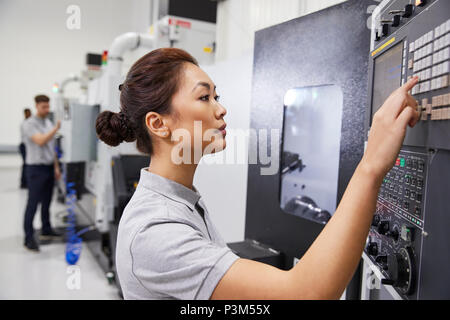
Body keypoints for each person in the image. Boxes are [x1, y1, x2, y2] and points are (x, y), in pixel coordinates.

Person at [96, 48, 420, 299]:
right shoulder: (156, 229)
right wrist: (372, 166)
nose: (221, 109)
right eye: (204, 97)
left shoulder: (181, 201)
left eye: (216, 96)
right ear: (158, 123)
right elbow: (307, 294)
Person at [22, 95, 62, 252]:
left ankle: (46, 229)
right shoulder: (28, 124)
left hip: (48, 168)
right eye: (43, 107)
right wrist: (56, 129)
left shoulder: (47, 122)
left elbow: (52, 148)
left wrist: (56, 167)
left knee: (47, 202)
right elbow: (40, 141)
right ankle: (28, 238)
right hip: (35, 169)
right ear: (36, 106)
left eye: (48, 106)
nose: (47, 109)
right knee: (33, 204)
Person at [19, 108, 32, 189]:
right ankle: (24, 183)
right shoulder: (25, 124)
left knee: (26, 164)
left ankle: (26, 182)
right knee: (26, 164)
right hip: (24, 146)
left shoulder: (29, 123)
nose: (28, 115)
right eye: (27, 113)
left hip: (27, 146)